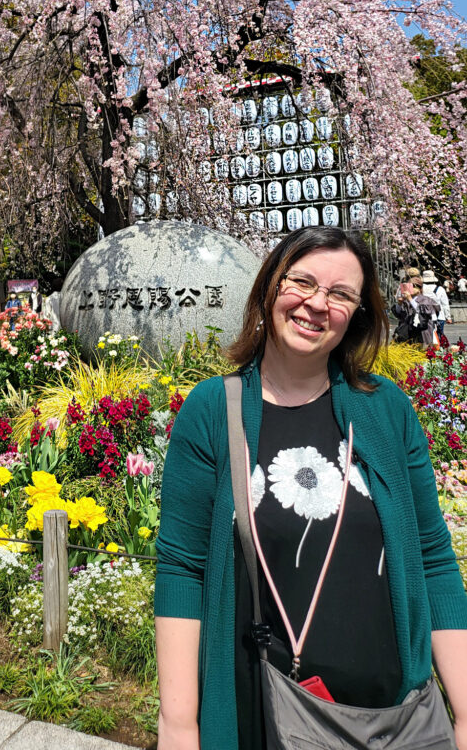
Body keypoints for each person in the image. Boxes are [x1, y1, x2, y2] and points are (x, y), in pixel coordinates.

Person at [155, 226, 467, 750]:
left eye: (341, 294)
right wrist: (179, 727)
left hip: (401, 722)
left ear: (357, 314)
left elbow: (433, 558)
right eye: (301, 282)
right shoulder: (212, 412)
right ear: (270, 287)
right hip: (270, 717)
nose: (317, 304)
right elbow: (183, 571)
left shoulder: (386, 409)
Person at [421, 269, 452, 340]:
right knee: (438, 338)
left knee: (425, 338)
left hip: (424, 316)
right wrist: (448, 317)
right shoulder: (440, 289)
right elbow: (445, 304)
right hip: (439, 316)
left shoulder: (420, 289)